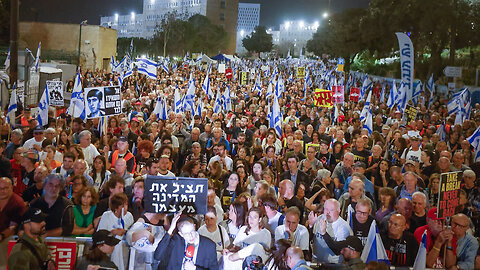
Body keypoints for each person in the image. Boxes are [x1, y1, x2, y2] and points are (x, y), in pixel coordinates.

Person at [154, 213, 219, 270]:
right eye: (186, 234)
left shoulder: (209, 246)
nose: (190, 236)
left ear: (194, 227)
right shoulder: (176, 241)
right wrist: (170, 230)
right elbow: (157, 256)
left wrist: (195, 268)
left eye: (191, 231)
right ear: (181, 234)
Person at [97, 193, 134, 270]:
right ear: (116, 208)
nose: (126, 208)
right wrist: (113, 233)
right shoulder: (106, 216)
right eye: (123, 206)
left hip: (125, 252)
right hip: (109, 253)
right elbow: (100, 235)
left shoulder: (129, 216)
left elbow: (132, 233)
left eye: (126, 205)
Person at [312, 198, 352, 263]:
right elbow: (313, 239)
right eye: (326, 209)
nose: (328, 212)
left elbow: (337, 250)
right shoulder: (320, 218)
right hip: (317, 261)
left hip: (333, 265)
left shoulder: (343, 227)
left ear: (338, 210)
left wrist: (324, 233)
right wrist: (310, 226)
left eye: (331, 210)